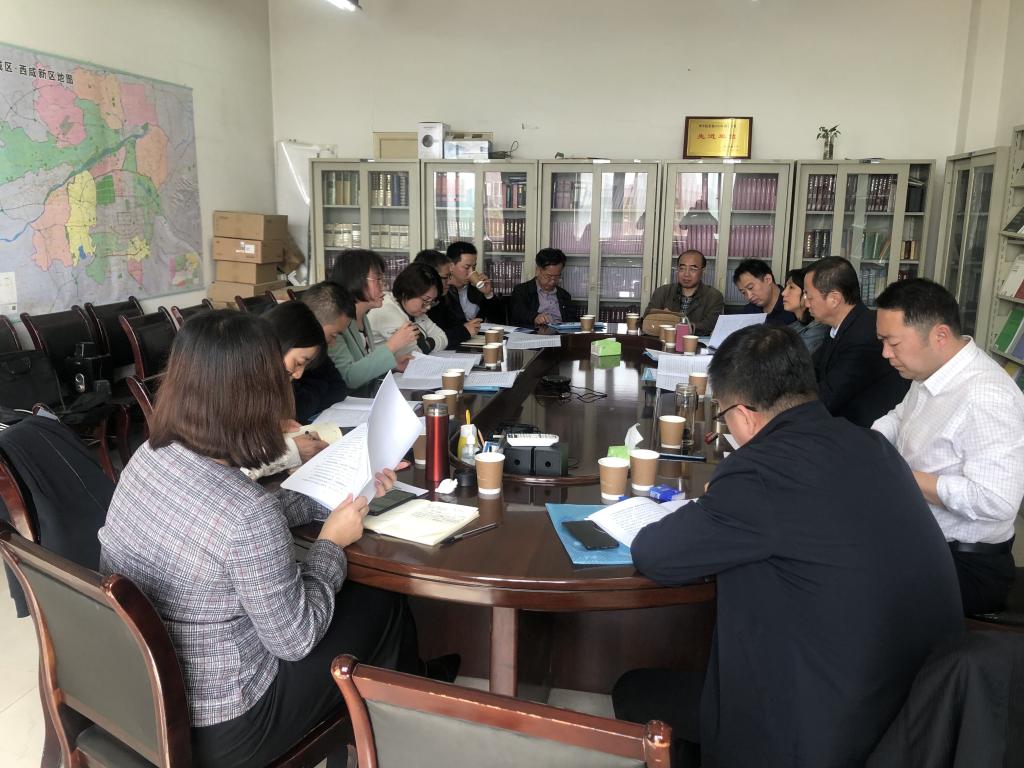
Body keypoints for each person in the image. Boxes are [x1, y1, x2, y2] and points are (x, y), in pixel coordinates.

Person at [617, 324, 963, 768]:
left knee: (633, 689)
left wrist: (714, 505)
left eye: (723, 415)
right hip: (920, 715)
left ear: (744, 415)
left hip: (823, 733)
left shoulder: (760, 470)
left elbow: (656, 555)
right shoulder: (874, 445)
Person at [99, 310, 410, 768]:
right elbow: (296, 638)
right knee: (381, 600)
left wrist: (343, 497)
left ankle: (409, 686)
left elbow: (219, 525)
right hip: (227, 726)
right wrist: (330, 543)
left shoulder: (150, 456)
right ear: (259, 396)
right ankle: (400, 719)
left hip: (145, 695)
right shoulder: (247, 513)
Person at [873, 278, 1024, 615]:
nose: (886, 354)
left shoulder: (986, 396)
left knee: (844, 588)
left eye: (893, 342)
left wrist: (899, 475)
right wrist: (868, 444)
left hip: (964, 564)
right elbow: (900, 417)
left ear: (939, 335)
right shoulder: (931, 370)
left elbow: (997, 500)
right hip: (922, 540)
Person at [803, 256, 909, 427]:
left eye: (809, 296)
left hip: (864, 431)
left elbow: (827, 398)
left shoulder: (864, 335)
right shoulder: (841, 325)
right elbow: (810, 370)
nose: (806, 303)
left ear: (834, 299)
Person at [328, 249, 417, 393]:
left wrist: (392, 365)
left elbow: (364, 363)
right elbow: (349, 378)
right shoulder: (335, 322)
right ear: (355, 280)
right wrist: (392, 345)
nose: (384, 285)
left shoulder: (363, 316)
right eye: (378, 279)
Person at [294, 281, 356, 423]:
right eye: (333, 335)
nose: (333, 343)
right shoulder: (288, 351)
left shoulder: (318, 353)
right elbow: (299, 409)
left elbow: (339, 389)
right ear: (314, 323)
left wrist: (314, 391)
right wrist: (321, 385)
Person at [368, 262, 448, 357]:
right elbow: (413, 354)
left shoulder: (414, 311)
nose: (428, 307)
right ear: (406, 292)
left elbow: (443, 338)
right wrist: (427, 344)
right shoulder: (386, 309)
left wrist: (426, 344)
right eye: (425, 300)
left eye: (432, 302)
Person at [642, 249, 724, 336]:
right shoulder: (662, 292)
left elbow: (709, 326)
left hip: (696, 343)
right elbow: (647, 320)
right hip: (663, 341)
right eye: (682, 268)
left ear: (703, 270)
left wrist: (669, 319)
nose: (686, 274)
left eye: (693, 269)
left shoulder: (714, 296)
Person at [419, 248, 476, 349]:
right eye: (445, 277)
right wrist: (464, 331)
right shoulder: (416, 304)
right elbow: (427, 340)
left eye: (450, 276)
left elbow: (458, 325)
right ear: (430, 276)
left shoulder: (447, 296)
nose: (449, 282)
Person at [441, 241, 505, 329]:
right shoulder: (442, 290)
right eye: (467, 267)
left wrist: (488, 294)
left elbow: (500, 321)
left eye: (474, 267)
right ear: (451, 266)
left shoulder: (477, 288)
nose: (472, 272)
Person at [508, 247, 575, 327]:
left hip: (561, 333)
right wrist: (535, 317)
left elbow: (572, 321)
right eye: (548, 276)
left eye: (557, 276)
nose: (552, 281)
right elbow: (518, 313)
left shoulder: (565, 295)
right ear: (538, 270)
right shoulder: (522, 291)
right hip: (535, 333)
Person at [732, 259, 796, 326]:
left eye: (750, 287)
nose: (749, 296)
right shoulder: (746, 314)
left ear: (768, 280)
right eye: (743, 292)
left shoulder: (794, 307)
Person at [781, 267, 827, 354]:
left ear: (807, 293)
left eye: (791, 287)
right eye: (786, 287)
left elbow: (793, 358)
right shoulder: (797, 324)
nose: (783, 293)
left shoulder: (818, 329)